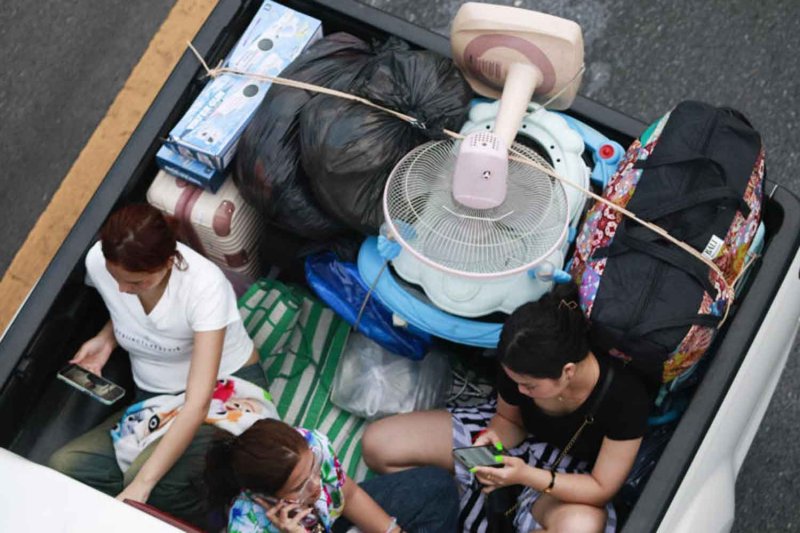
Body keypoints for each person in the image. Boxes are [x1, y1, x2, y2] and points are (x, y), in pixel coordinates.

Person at [361, 284, 652, 533]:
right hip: (516, 452)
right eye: (516, 382)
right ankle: (459, 504)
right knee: (379, 445)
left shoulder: (625, 399)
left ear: (568, 372)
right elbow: (508, 420)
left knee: (580, 526)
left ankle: (484, 511)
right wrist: (492, 439)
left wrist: (524, 475)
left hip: (565, 480)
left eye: (530, 386)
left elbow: (600, 488)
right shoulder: (520, 362)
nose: (521, 391)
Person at [48, 203, 264, 526]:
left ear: (168, 262)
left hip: (221, 392)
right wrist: (107, 339)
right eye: (116, 278)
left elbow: (197, 403)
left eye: (136, 283)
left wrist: (142, 485)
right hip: (153, 397)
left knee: (146, 482)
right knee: (64, 467)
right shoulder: (99, 263)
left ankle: (213, 515)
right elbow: (126, 309)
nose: (123, 289)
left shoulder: (204, 287)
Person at [206, 418, 459, 533]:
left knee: (436, 486)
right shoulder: (249, 526)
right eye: (300, 487)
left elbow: (350, 495)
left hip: (334, 523)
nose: (317, 485)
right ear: (267, 495)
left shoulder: (311, 444)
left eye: (315, 467)